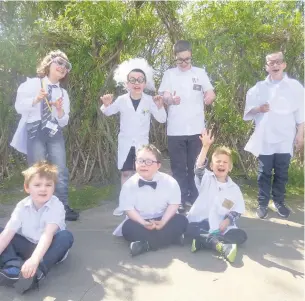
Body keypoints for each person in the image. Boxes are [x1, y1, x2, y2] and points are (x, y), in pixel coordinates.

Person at [10, 50, 79, 221]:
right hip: (35, 129)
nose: (63, 67)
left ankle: (62, 207)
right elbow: (19, 107)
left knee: (60, 169)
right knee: (38, 169)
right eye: (59, 63)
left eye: (66, 66)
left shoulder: (63, 93)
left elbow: (64, 121)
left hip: (54, 130)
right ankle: (37, 207)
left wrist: (60, 110)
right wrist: (36, 99)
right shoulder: (33, 84)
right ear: (49, 64)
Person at [100, 58, 167, 216]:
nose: (136, 83)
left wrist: (160, 106)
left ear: (145, 83)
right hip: (126, 143)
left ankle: (140, 206)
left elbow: (162, 119)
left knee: (141, 173)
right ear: (126, 83)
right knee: (126, 173)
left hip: (142, 145)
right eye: (133, 80)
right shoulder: (122, 100)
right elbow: (108, 112)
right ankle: (124, 204)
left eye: (140, 80)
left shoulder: (150, 100)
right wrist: (106, 104)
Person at [243, 51, 304, 219]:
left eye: (278, 62)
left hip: (285, 138)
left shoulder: (295, 86)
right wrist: (259, 109)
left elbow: (301, 113)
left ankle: (279, 202)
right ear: (266, 67)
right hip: (265, 138)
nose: (275, 65)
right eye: (271, 63)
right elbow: (248, 112)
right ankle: (262, 203)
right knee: (264, 173)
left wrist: (300, 134)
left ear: (284, 65)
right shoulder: (258, 88)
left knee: (282, 172)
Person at [159, 40, 216, 212]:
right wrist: (171, 100)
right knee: (178, 167)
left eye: (187, 59)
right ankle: (180, 199)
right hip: (176, 130)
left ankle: (195, 198)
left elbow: (210, 92)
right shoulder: (169, 74)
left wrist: (209, 97)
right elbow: (165, 97)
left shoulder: (200, 72)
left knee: (195, 166)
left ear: (191, 56)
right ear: (175, 58)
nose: (184, 63)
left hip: (197, 129)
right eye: (180, 60)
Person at [0, 161, 74, 294]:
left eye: (48, 185)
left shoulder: (56, 206)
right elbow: (8, 233)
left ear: (53, 187)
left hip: (49, 248)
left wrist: (34, 260)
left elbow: (47, 235)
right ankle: (12, 265)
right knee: (1, 231)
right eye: (37, 185)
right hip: (27, 245)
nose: (43, 189)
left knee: (66, 236)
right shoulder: (22, 206)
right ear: (27, 188)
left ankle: (36, 273)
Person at [113, 144, 188, 257]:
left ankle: (145, 245)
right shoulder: (129, 185)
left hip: (164, 219)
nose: (143, 165)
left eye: (148, 161)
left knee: (182, 221)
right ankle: (172, 239)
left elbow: (174, 204)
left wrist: (163, 222)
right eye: (140, 161)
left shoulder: (170, 182)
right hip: (140, 221)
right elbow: (129, 210)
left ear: (158, 165)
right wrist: (143, 223)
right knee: (127, 228)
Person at [186, 130, 247, 263]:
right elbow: (198, 168)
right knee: (189, 228)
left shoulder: (234, 189)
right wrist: (205, 146)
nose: (221, 164)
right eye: (218, 162)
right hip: (201, 221)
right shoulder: (206, 178)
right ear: (212, 166)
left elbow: (236, 211)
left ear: (230, 167)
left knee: (241, 235)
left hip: (221, 227)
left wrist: (227, 221)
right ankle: (220, 246)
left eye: (225, 162)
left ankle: (202, 242)